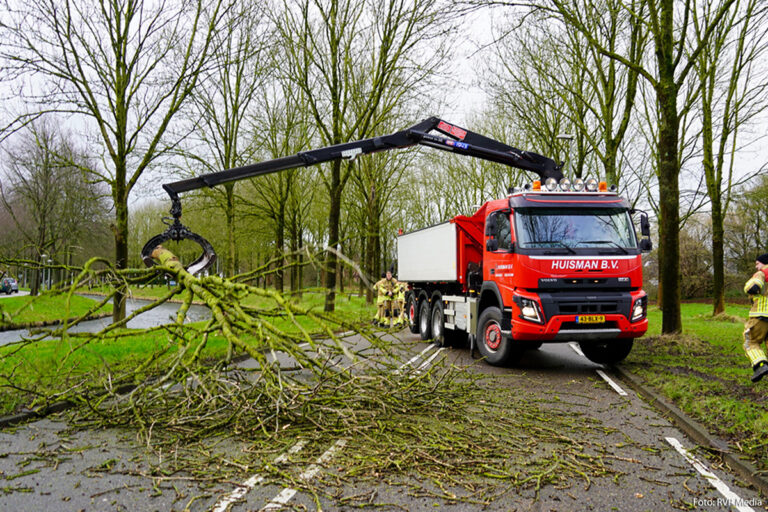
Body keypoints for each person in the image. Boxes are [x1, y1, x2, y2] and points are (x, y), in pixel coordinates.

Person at [743, 253, 768, 383]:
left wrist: (751, 286)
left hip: (761, 315)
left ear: (764, 263)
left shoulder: (762, 273)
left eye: (758, 264)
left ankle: (761, 366)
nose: (756, 267)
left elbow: (753, 286)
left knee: (751, 342)